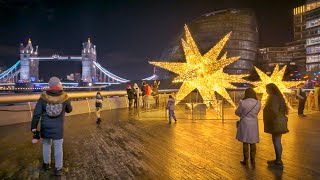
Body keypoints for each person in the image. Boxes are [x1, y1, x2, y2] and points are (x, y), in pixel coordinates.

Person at [31, 77, 72, 176]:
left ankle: (46, 164)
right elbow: (69, 110)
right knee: (58, 147)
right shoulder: (65, 97)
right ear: (58, 85)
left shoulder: (43, 97)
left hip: (45, 127)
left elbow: (36, 114)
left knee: (46, 145)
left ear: (50, 85)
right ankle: (58, 169)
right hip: (58, 128)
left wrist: (33, 127)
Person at [263, 83, 289, 168]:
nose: (266, 91)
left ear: (271, 89)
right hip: (281, 121)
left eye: (267, 89)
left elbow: (274, 109)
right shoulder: (279, 97)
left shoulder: (272, 97)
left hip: (276, 122)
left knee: (276, 141)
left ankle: (278, 161)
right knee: (277, 141)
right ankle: (278, 159)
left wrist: (275, 117)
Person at [235, 88, 261, 166]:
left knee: (245, 141)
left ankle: (245, 160)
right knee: (253, 142)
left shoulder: (242, 102)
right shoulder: (258, 103)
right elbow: (257, 112)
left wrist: (242, 114)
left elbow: (237, 112)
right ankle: (253, 160)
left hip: (245, 123)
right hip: (254, 123)